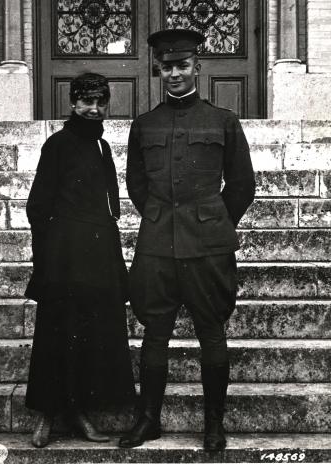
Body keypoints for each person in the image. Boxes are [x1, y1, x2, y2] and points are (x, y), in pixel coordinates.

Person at [119, 29, 255, 451]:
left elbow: (242, 185)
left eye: (182, 65)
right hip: (157, 248)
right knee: (154, 334)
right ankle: (149, 420)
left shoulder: (223, 121)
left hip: (208, 250)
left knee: (212, 334)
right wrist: (164, 221)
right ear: (157, 69)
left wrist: (211, 223)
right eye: (166, 67)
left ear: (198, 67)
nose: (174, 73)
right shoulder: (145, 125)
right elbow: (137, 185)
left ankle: (214, 425)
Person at [24, 72, 135, 448]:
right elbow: (37, 207)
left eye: (100, 101)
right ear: (72, 103)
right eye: (86, 101)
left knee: (89, 337)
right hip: (63, 257)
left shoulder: (103, 148)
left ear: (108, 105)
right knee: (56, 334)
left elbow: (111, 208)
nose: (93, 109)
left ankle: (80, 412)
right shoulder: (57, 144)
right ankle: (46, 414)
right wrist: (47, 262)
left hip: (98, 256)